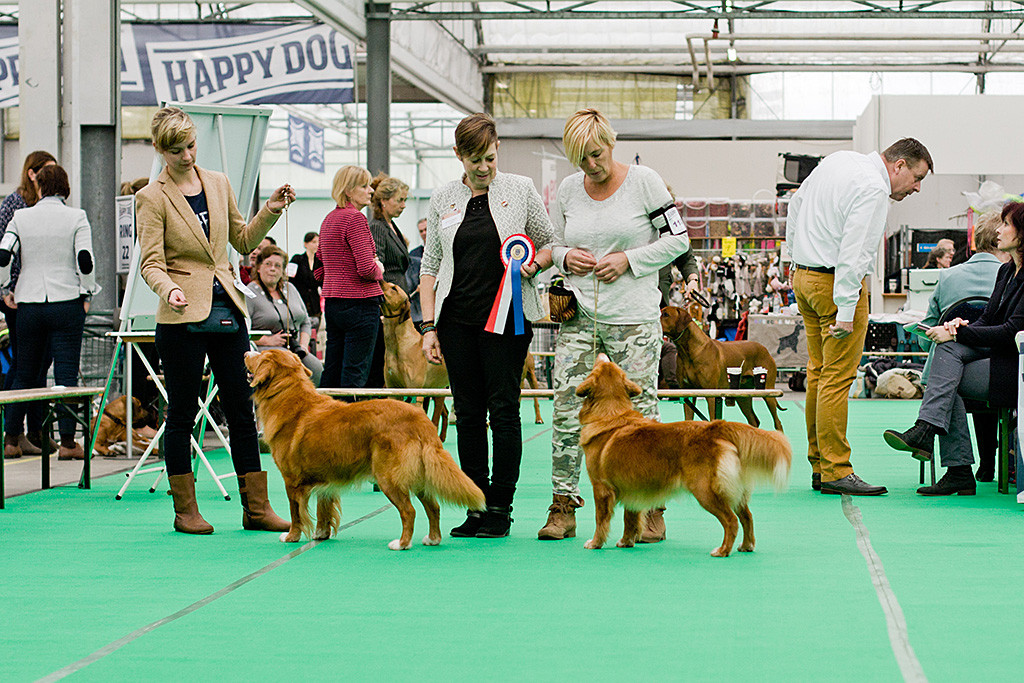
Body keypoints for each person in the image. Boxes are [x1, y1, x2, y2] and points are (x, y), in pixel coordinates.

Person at [136, 106, 294, 535]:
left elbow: (242, 240)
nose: (186, 156)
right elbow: (150, 262)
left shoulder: (219, 183)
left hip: (228, 309)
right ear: (159, 149)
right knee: (182, 413)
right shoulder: (150, 197)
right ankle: (186, 511)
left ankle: (256, 509)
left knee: (242, 411)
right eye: (175, 150)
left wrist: (272, 210)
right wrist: (167, 287)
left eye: (189, 146)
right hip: (180, 315)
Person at [538, 109, 689, 542]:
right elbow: (554, 243)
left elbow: (678, 240)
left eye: (596, 154)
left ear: (611, 141)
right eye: (581, 159)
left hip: (635, 317)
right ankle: (563, 507)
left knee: (641, 417)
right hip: (578, 316)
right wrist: (566, 258)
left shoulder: (646, 181)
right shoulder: (568, 190)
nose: (591, 166)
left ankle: (651, 509)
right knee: (566, 410)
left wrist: (629, 260)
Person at [420, 112, 555, 539]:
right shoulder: (442, 198)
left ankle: (500, 507)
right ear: (458, 155)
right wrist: (428, 327)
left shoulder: (520, 189)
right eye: (475, 159)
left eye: (491, 158)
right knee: (468, 415)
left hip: (508, 319)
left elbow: (548, 242)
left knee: (505, 412)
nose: (484, 167)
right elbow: (430, 265)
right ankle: (475, 504)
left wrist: (531, 265)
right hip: (456, 322)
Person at [787, 137, 933, 496]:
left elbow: (796, 204)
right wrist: (847, 309)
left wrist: (792, 260)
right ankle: (837, 469)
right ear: (898, 165)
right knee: (837, 379)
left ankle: (820, 466)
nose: (916, 188)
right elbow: (854, 253)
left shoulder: (838, 160)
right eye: (917, 178)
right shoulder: (872, 189)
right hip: (836, 285)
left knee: (819, 374)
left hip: (805, 277)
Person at [885, 202, 1024, 495]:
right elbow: (988, 320)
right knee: (947, 361)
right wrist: (959, 327)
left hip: (1014, 367)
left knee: (946, 373)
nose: (999, 229)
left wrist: (958, 332)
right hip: (994, 358)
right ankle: (935, 443)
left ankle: (949, 457)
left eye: (1006, 224)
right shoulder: (1005, 272)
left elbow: (1010, 332)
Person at [0, 164, 98, 460]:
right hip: (67, 302)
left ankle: (11, 439)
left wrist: (6, 289)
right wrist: (87, 292)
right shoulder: (76, 217)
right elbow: (85, 260)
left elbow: (4, 254)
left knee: (24, 373)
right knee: (65, 375)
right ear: (64, 188)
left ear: (40, 187)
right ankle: (68, 443)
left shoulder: (21, 217)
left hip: (29, 302)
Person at [907, 211, 1008, 481]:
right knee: (956, 368)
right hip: (998, 366)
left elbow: (923, 338)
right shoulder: (1009, 277)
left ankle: (957, 467)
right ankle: (989, 464)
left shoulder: (948, 278)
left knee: (947, 374)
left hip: (956, 365)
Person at [0, 150, 56, 458]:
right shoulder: (15, 204)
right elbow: (4, 250)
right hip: (17, 295)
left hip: (41, 294)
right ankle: (13, 433)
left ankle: (35, 429)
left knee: (40, 363)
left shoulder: (45, 206)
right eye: (46, 172)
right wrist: (6, 288)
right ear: (32, 173)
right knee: (24, 363)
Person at [315, 165, 384, 389]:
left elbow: (318, 270)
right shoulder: (355, 219)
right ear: (348, 191)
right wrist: (379, 268)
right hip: (361, 305)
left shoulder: (328, 219)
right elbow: (365, 268)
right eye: (364, 186)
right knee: (356, 372)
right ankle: (349, 421)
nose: (371, 191)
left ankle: (325, 420)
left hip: (334, 305)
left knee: (332, 369)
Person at [247, 245, 323, 386]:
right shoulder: (250, 292)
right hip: (266, 349)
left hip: (295, 348)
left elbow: (305, 321)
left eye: (278, 266)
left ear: (282, 270)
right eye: (268, 264)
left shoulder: (290, 288)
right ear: (258, 267)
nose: (272, 269)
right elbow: (243, 330)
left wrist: (303, 346)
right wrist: (267, 340)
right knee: (289, 369)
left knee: (316, 368)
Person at [366, 173, 411, 388]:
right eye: (399, 200)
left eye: (405, 200)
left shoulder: (392, 227)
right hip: (387, 310)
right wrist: (382, 305)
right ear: (384, 202)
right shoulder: (377, 227)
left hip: (396, 308)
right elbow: (377, 268)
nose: (403, 205)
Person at [288, 231, 322, 350]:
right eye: (314, 242)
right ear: (305, 244)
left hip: (314, 305)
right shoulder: (297, 259)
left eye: (318, 242)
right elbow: (289, 278)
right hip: (299, 300)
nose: (317, 245)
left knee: (313, 336)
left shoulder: (320, 262)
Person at [407, 218, 428, 328]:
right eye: (421, 231)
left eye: (426, 229)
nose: (424, 233)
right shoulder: (413, 254)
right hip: (418, 307)